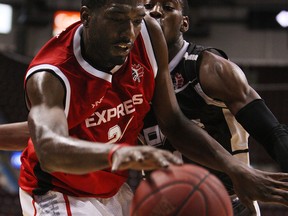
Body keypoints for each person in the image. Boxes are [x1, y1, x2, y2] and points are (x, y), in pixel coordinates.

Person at [1, 0, 288, 215]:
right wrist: (124, 153)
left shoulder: (153, 39)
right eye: (117, 18)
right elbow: (49, 147)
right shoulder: (52, 74)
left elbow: (174, 123)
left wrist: (236, 170)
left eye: (137, 18)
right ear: (86, 16)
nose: (129, 32)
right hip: (57, 190)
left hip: (118, 190)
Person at [140, 0, 288, 215]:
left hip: (224, 203)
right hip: (164, 204)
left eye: (168, 7)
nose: (155, 11)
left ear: (185, 24)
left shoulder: (210, 68)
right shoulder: (128, 76)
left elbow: (272, 133)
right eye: (147, 6)